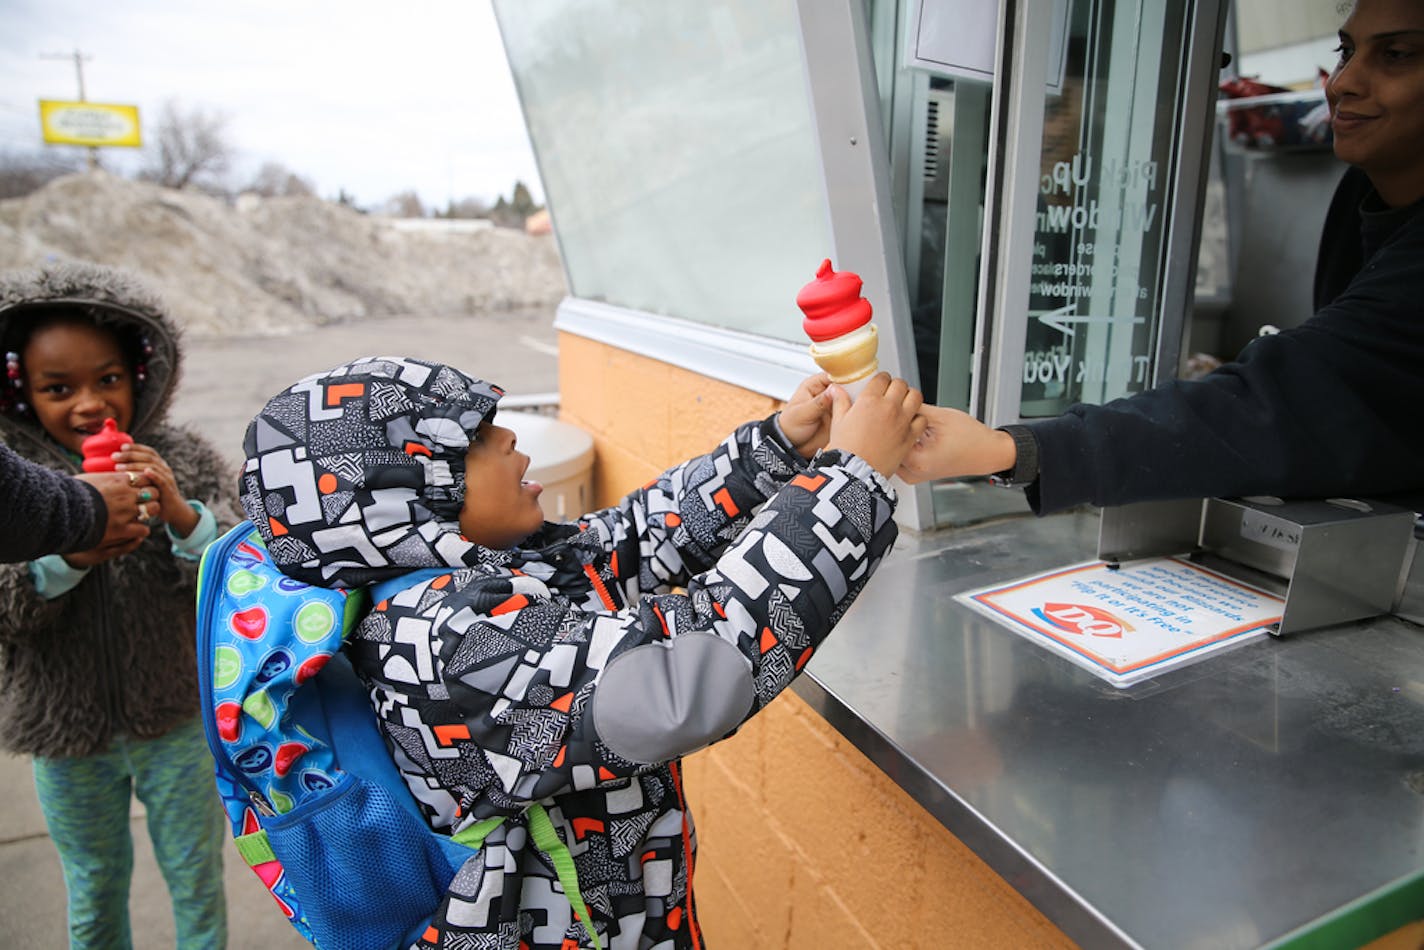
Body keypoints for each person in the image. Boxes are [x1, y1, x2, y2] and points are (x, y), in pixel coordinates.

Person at [237, 355, 923, 949]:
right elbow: (687, 677)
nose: (510, 438)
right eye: (474, 438)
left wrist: (775, 449)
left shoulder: (458, 578)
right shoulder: (450, 646)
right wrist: (851, 480)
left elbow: (623, 541)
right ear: (402, 499)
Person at [897, 0, 1424, 514]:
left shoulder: (1144, 227)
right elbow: (949, 324)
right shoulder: (1361, 196)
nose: (1342, 83)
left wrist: (1013, 449)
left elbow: (1304, 399)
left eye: (1397, 54)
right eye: (1345, 52)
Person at [0, 262, 233, 949]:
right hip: (68, 738)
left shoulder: (180, 457)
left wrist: (184, 518)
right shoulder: (15, 488)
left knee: (196, 877)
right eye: (57, 388)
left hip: (175, 724)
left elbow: (236, 579)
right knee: (93, 881)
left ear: (140, 374)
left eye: (107, 380)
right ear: (21, 393)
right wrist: (68, 556)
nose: (88, 404)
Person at [0, 442, 151, 562]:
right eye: (60, 400)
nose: (91, 407)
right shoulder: (16, 448)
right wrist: (66, 562)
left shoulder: (158, 459)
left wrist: (175, 518)